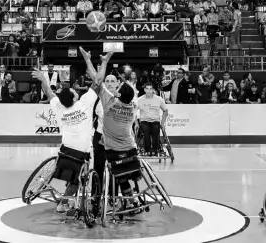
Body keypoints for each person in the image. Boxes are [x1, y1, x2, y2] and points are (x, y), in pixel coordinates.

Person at [80, 48, 141, 202]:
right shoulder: (125, 101)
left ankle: (113, 197)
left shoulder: (109, 100)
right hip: (101, 136)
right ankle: (96, 196)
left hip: (115, 141)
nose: (109, 83)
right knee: (98, 168)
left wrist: (95, 62)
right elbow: (98, 82)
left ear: (118, 84)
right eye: (106, 80)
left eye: (113, 81)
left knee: (117, 170)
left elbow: (97, 81)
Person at [32, 68, 97, 213]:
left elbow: (49, 92)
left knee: (73, 176)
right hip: (83, 153)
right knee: (79, 179)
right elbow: (97, 83)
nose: (76, 92)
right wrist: (89, 61)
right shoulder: (84, 104)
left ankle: (65, 201)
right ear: (74, 99)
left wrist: (43, 79)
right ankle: (66, 202)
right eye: (75, 93)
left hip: (65, 152)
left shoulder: (58, 107)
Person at [136, 83, 168, 157]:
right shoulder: (140, 100)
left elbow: (165, 111)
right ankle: (148, 150)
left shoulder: (159, 99)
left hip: (155, 121)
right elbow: (133, 111)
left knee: (156, 130)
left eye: (151, 89)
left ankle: (155, 149)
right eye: (147, 88)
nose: (149, 91)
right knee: (146, 130)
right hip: (144, 121)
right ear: (144, 90)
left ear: (153, 90)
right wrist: (136, 124)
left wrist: (162, 123)